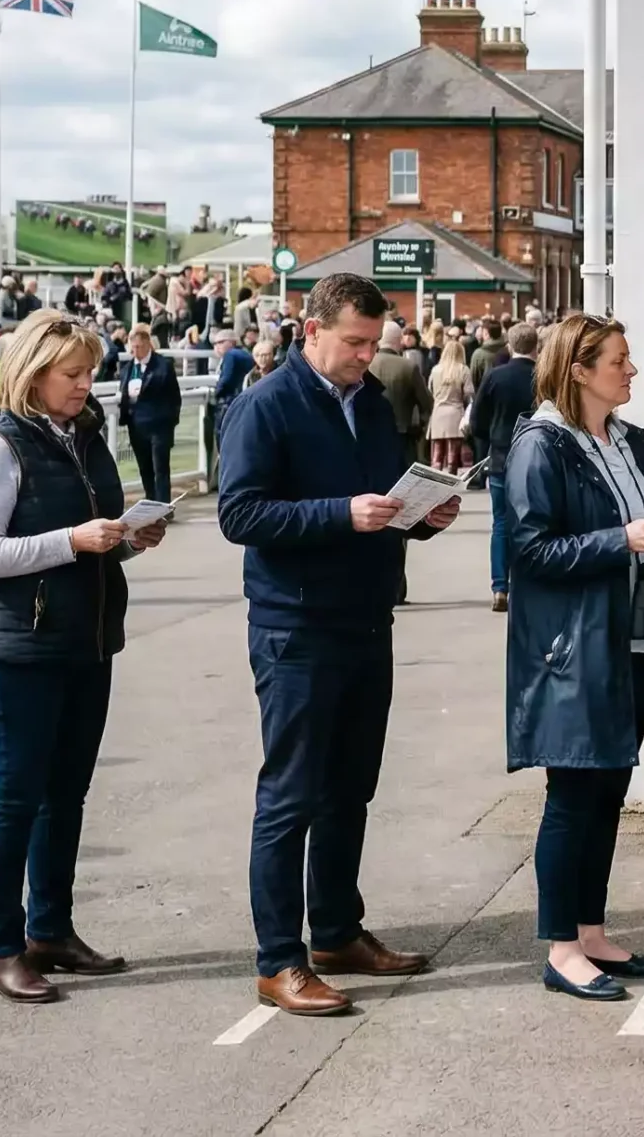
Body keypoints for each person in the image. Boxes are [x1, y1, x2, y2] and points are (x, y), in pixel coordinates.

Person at [216, 273, 463, 1018]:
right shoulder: (265, 404)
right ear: (311, 330)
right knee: (290, 796)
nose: (366, 356)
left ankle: (336, 931)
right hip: (296, 625)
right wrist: (339, 513)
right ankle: (278, 960)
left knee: (351, 786)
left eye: (373, 343)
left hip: (365, 617)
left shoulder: (371, 402)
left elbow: (381, 496)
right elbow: (240, 512)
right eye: (354, 343)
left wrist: (422, 515)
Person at [0, 310, 168, 1003]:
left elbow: (90, 530)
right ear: (34, 371)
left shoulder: (85, 436)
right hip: (18, 647)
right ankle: (1, 946)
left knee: (66, 794)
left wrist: (131, 535)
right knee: (16, 795)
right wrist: (71, 540)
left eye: (89, 374)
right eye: (72, 374)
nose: (85, 386)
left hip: (87, 638)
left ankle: (50, 927)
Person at [503, 314, 644, 1001]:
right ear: (580, 369)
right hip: (570, 646)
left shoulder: (627, 437)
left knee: (611, 785)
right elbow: (530, 551)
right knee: (574, 792)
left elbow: (638, 530)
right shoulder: (541, 445)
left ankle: (590, 929)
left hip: (630, 632)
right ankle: (561, 946)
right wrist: (623, 538)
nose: (633, 370)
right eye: (619, 360)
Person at [469, 323, 541, 612]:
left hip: (500, 457)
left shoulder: (495, 376)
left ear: (510, 346)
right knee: (534, 523)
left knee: (501, 523)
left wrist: (492, 438)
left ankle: (500, 586)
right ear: (536, 346)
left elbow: (477, 421)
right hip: (535, 459)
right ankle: (528, 584)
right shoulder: (542, 377)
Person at [115, 327, 180, 504]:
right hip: (136, 425)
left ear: (148, 345)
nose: (135, 351)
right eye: (133, 347)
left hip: (159, 426)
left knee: (160, 468)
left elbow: (174, 397)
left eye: (139, 347)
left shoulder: (163, 366)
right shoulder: (128, 368)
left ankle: (163, 505)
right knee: (144, 467)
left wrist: (170, 423)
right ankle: (150, 502)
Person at [369, 321, 433, 467]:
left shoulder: (366, 364)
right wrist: (420, 425)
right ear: (399, 340)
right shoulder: (408, 367)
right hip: (402, 434)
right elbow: (426, 402)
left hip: (370, 434)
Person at [210, 330, 255, 470]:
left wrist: (216, 394)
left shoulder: (231, 355)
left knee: (224, 443)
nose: (216, 347)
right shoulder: (245, 354)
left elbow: (226, 379)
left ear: (231, 342)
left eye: (219, 342)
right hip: (243, 403)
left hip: (229, 403)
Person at [427, 339, 474, 473]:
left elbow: (429, 390)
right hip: (455, 412)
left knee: (437, 453)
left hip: (438, 412)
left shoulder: (435, 370)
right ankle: (451, 479)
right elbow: (469, 393)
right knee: (453, 453)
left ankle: (435, 478)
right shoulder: (463, 370)